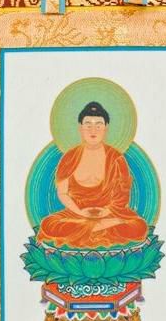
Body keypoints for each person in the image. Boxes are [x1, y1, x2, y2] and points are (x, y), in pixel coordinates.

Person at [37, 101, 148, 248]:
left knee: (139, 226)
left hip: (110, 213)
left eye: (98, 125)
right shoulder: (69, 157)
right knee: (48, 224)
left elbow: (122, 196)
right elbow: (63, 193)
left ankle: (86, 230)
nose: (93, 130)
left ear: (106, 128)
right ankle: (97, 228)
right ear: (80, 128)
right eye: (88, 125)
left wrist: (107, 212)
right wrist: (81, 213)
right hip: (76, 214)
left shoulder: (116, 158)